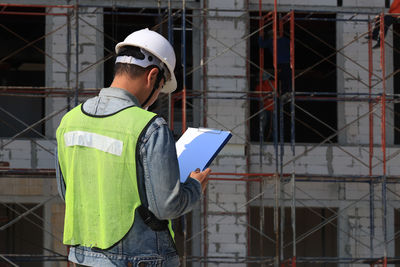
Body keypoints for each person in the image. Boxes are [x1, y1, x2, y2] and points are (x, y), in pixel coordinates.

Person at [55, 28, 210, 267]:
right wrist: (194, 186)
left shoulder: (70, 121)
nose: (157, 94)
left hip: (84, 257)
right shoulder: (150, 127)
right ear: (152, 76)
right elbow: (167, 206)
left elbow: (68, 193)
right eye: (160, 87)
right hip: (140, 258)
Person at [258, 30, 292, 95]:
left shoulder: (271, 41)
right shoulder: (285, 40)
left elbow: (261, 45)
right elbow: (292, 45)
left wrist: (260, 36)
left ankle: (283, 93)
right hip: (288, 62)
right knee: (287, 78)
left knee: (280, 78)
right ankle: (287, 92)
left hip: (279, 63)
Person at [256, 72, 275, 140]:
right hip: (264, 107)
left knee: (273, 124)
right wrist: (267, 96)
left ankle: (273, 138)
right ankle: (261, 138)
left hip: (272, 107)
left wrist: (271, 95)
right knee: (263, 123)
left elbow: (276, 94)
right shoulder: (259, 86)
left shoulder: (273, 84)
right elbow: (259, 97)